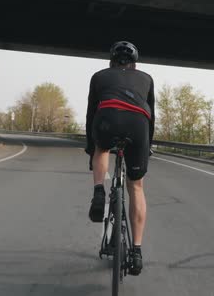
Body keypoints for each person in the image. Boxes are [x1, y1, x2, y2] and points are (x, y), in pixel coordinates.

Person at [85, 41, 155, 276]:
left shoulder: (99, 76)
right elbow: (150, 116)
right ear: (135, 64)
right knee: (136, 186)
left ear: (111, 61)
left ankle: (98, 192)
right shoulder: (146, 78)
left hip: (106, 119)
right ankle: (136, 251)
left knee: (101, 149)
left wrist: (90, 146)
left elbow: (91, 113)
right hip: (139, 126)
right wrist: (147, 147)